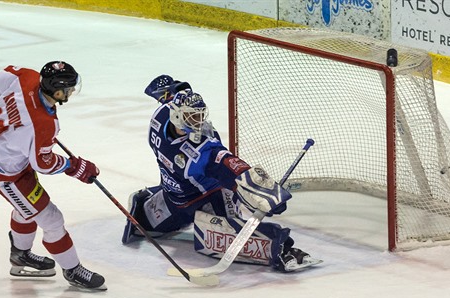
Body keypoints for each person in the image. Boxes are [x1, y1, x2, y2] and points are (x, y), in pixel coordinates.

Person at [122, 75, 320, 272]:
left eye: (200, 115)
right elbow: (170, 94)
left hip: (212, 196)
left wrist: (259, 190)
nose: (198, 122)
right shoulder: (162, 114)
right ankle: (151, 198)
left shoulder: (201, 147)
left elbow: (227, 164)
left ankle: (283, 250)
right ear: (175, 116)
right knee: (143, 224)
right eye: (192, 116)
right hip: (175, 199)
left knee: (229, 237)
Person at [0, 61, 106, 290]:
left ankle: (20, 255)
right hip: (3, 170)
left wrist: (15, 115)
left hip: (4, 151)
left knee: (27, 208)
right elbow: (43, 163)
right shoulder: (43, 124)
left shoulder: (29, 76)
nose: (72, 92)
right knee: (52, 219)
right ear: (57, 91)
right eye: (69, 89)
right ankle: (73, 270)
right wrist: (75, 167)